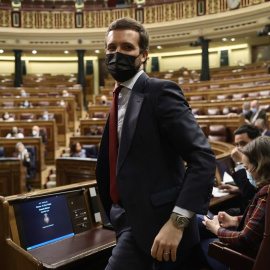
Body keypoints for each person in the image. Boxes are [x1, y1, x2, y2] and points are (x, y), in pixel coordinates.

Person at [95, 17, 216, 270]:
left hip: (160, 222)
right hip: (123, 217)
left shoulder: (160, 92)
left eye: (127, 47)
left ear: (143, 55)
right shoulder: (118, 97)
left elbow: (202, 157)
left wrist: (177, 222)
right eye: (111, 48)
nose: (117, 54)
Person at [201, 136, 270, 269]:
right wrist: (236, 220)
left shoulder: (266, 193)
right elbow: (263, 221)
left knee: (203, 241)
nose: (248, 174)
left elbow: (244, 239)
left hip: (252, 259)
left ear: (260, 166)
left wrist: (217, 229)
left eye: (247, 169)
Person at [218, 125, 261, 215]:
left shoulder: (264, 163)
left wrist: (242, 161)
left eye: (243, 143)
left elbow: (250, 194)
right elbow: (255, 189)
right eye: (237, 145)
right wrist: (238, 189)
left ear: (257, 142)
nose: (239, 148)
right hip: (246, 210)